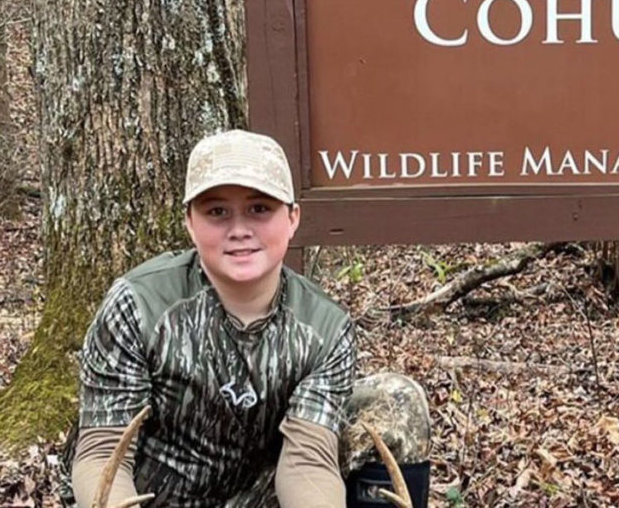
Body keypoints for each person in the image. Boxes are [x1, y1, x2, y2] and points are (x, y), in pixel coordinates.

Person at [59, 130, 429, 508]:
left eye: (259, 209)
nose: (239, 230)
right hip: (150, 497)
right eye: (217, 212)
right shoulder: (138, 306)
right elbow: (104, 450)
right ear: (189, 221)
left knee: (392, 400)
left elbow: (308, 460)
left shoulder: (324, 328)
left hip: (257, 497)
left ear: (292, 218)